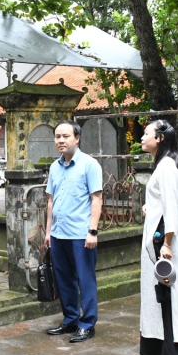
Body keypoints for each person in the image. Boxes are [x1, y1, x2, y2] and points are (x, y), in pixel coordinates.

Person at [42, 120, 103, 343]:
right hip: (58, 234)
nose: (61, 140)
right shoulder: (54, 167)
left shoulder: (89, 165)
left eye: (66, 136)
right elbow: (50, 201)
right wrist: (48, 232)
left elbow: (96, 198)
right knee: (63, 279)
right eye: (58, 136)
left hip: (80, 234)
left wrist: (92, 231)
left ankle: (87, 324)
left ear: (77, 138)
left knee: (85, 279)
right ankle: (70, 319)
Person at [138, 120, 178, 355]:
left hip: (163, 242)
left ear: (159, 138)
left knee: (165, 295)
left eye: (146, 133)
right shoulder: (166, 165)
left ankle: (169, 352)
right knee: (161, 295)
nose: (141, 137)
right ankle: (166, 348)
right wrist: (151, 207)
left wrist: (167, 242)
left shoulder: (167, 166)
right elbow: (172, 201)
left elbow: (172, 205)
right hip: (161, 237)